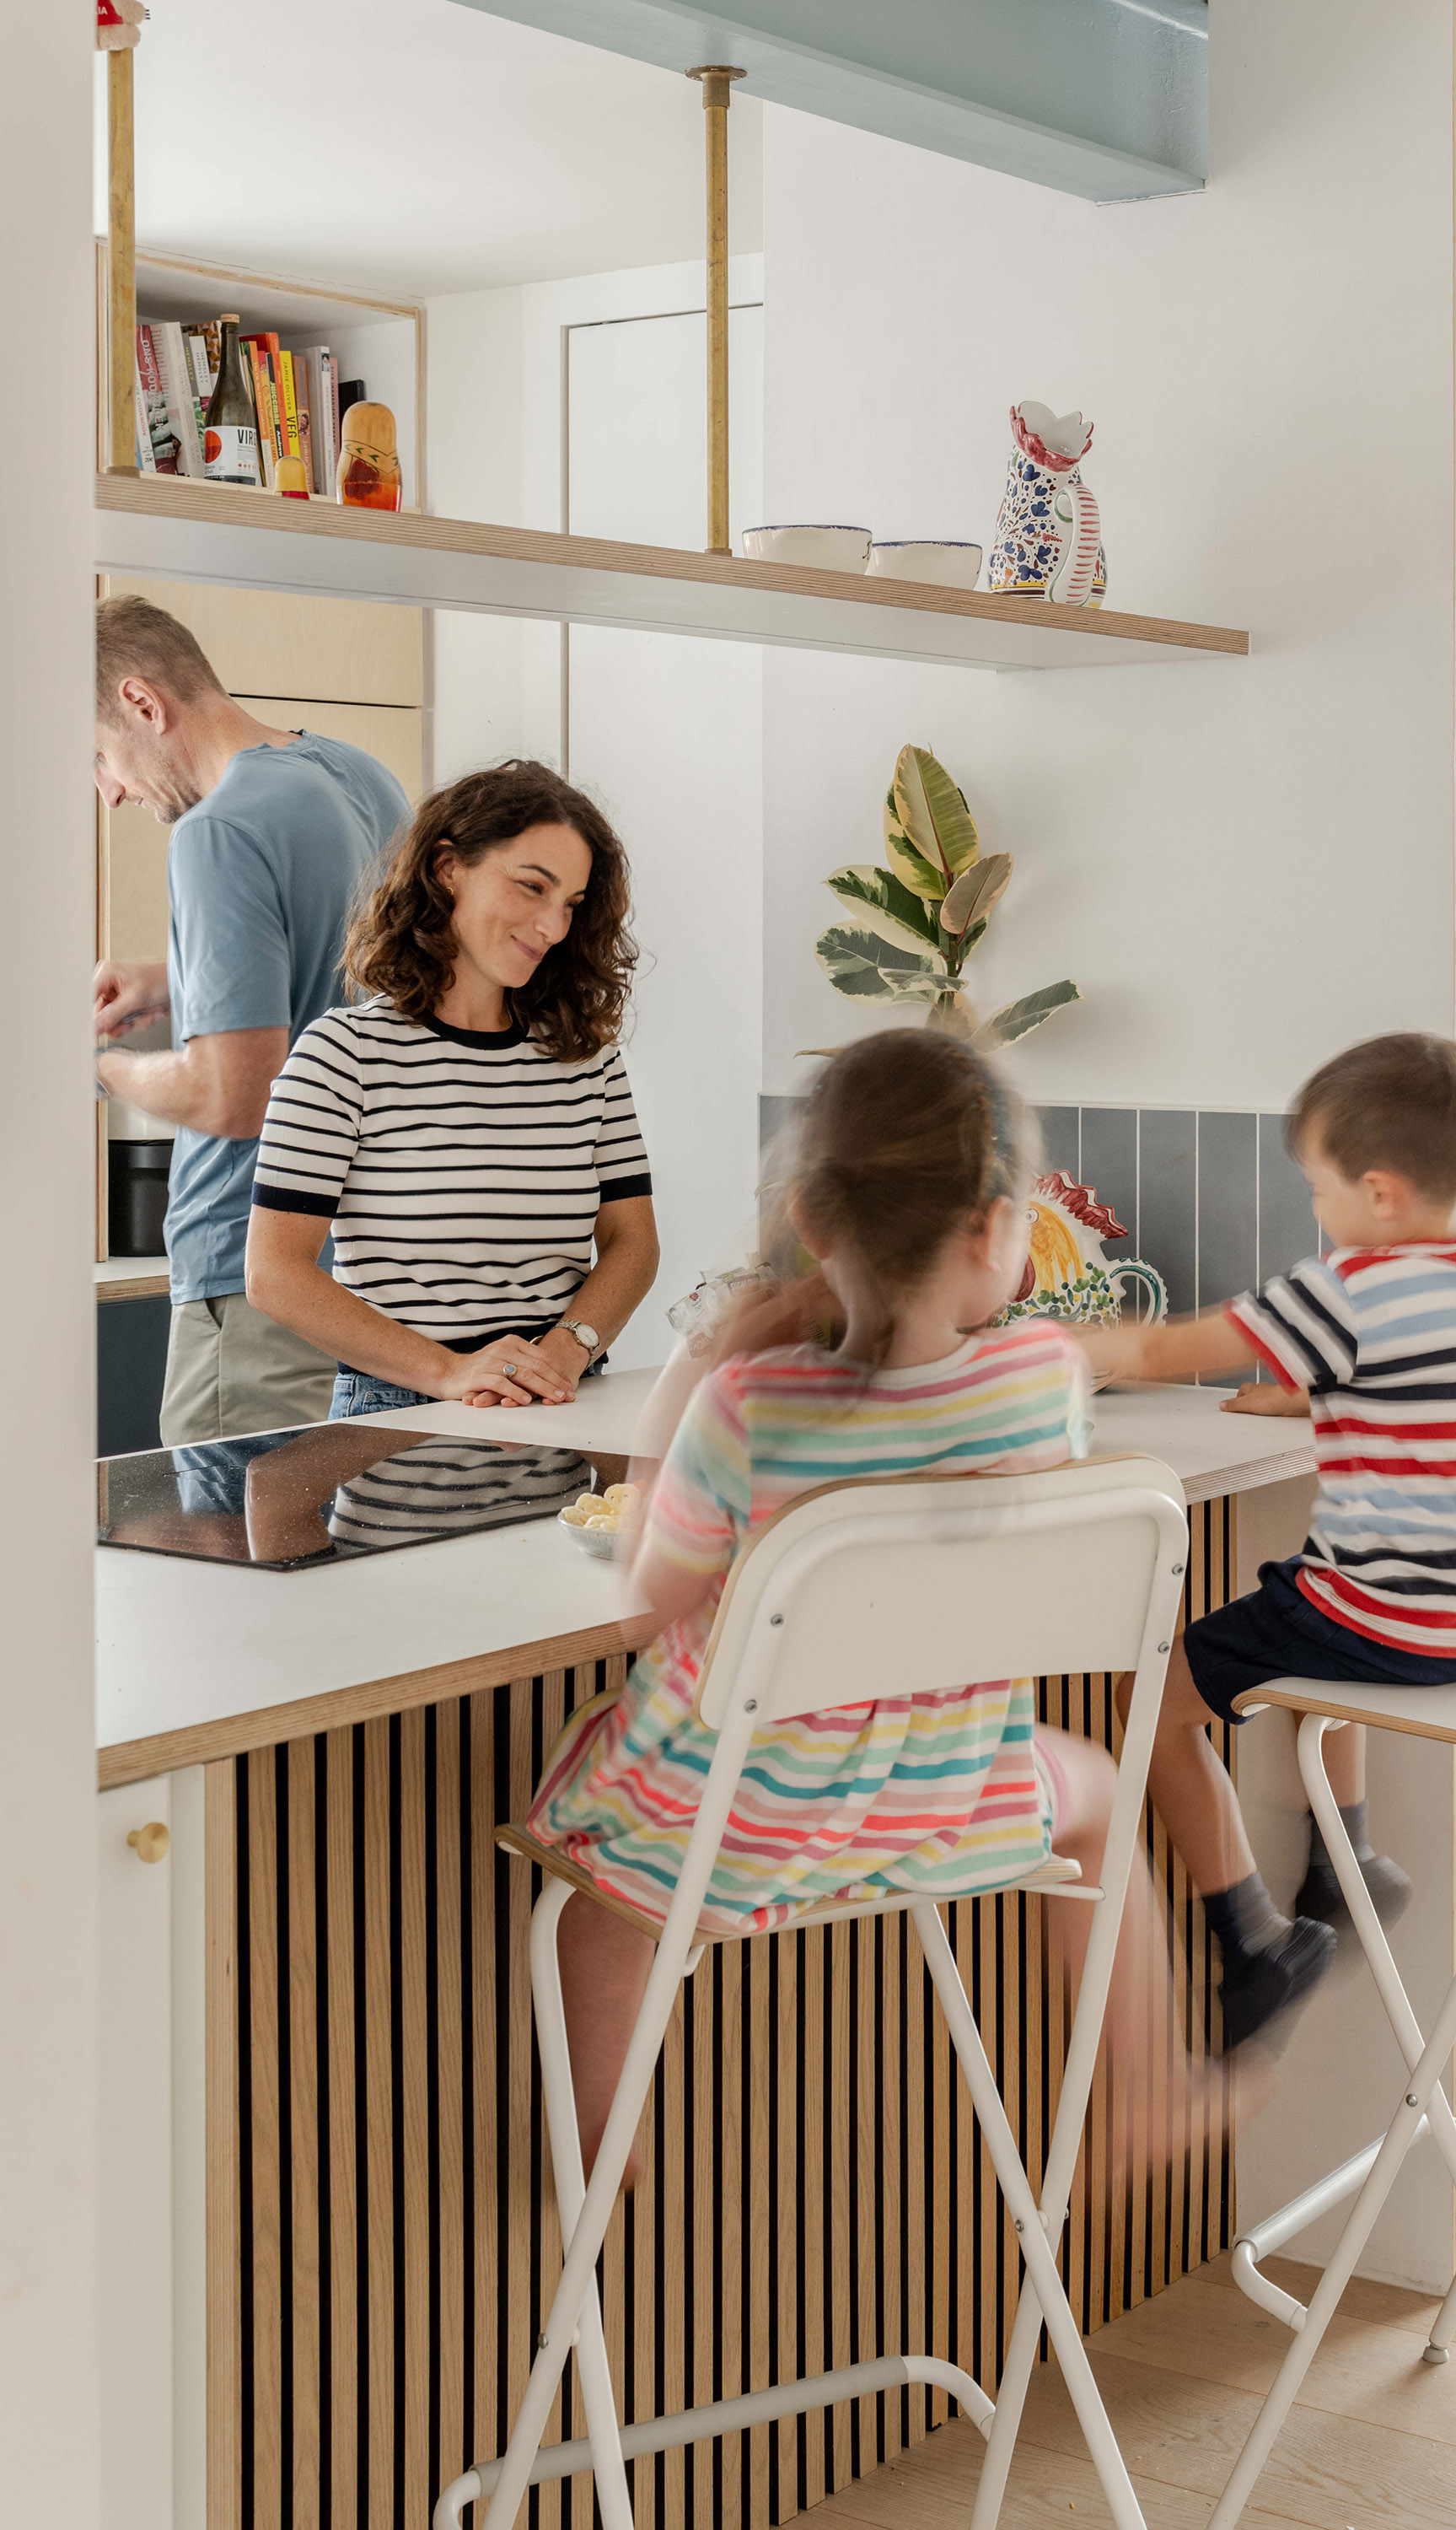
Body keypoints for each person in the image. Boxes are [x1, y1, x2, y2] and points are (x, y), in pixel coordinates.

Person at [524, 1029, 1248, 2189]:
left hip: (733, 1827)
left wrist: (697, 1372)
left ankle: (600, 2169)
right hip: (947, 1800)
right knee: (1102, 1793)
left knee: (597, 1913)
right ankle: (1145, 2091)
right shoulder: (1040, 1380)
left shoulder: (750, 1406)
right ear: (998, 1235)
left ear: (811, 1222)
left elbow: (642, 1607)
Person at [1078, 1032, 1456, 2046]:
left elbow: (1162, 1348)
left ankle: (1249, 1937)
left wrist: (1036, 1347)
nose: (1315, 1210)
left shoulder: (1345, 1287)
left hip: (1387, 1626)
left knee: (1148, 1702)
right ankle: (1347, 1864)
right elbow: (1435, 1405)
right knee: (1314, 1585)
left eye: (1318, 1189)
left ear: (1378, 1194)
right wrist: (1310, 1402)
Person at [245, 759, 659, 1416]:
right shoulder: (342, 1055)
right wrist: (450, 1372)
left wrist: (568, 1349)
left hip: (563, 1395)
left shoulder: (588, 1061)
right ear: (446, 867)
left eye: (571, 906)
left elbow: (633, 1243)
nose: (553, 927)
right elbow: (275, 1276)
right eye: (532, 887)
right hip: (400, 1403)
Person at [93, 594, 409, 1443]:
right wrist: (172, 982)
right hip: (372, 1270)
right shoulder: (360, 779)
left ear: (142, 704)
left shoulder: (215, 830)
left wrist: (99, 1065)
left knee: (235, 1559)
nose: (110, 793)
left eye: (98, 757)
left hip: (252, 1275)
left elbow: (236, 1096)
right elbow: (345, 973)